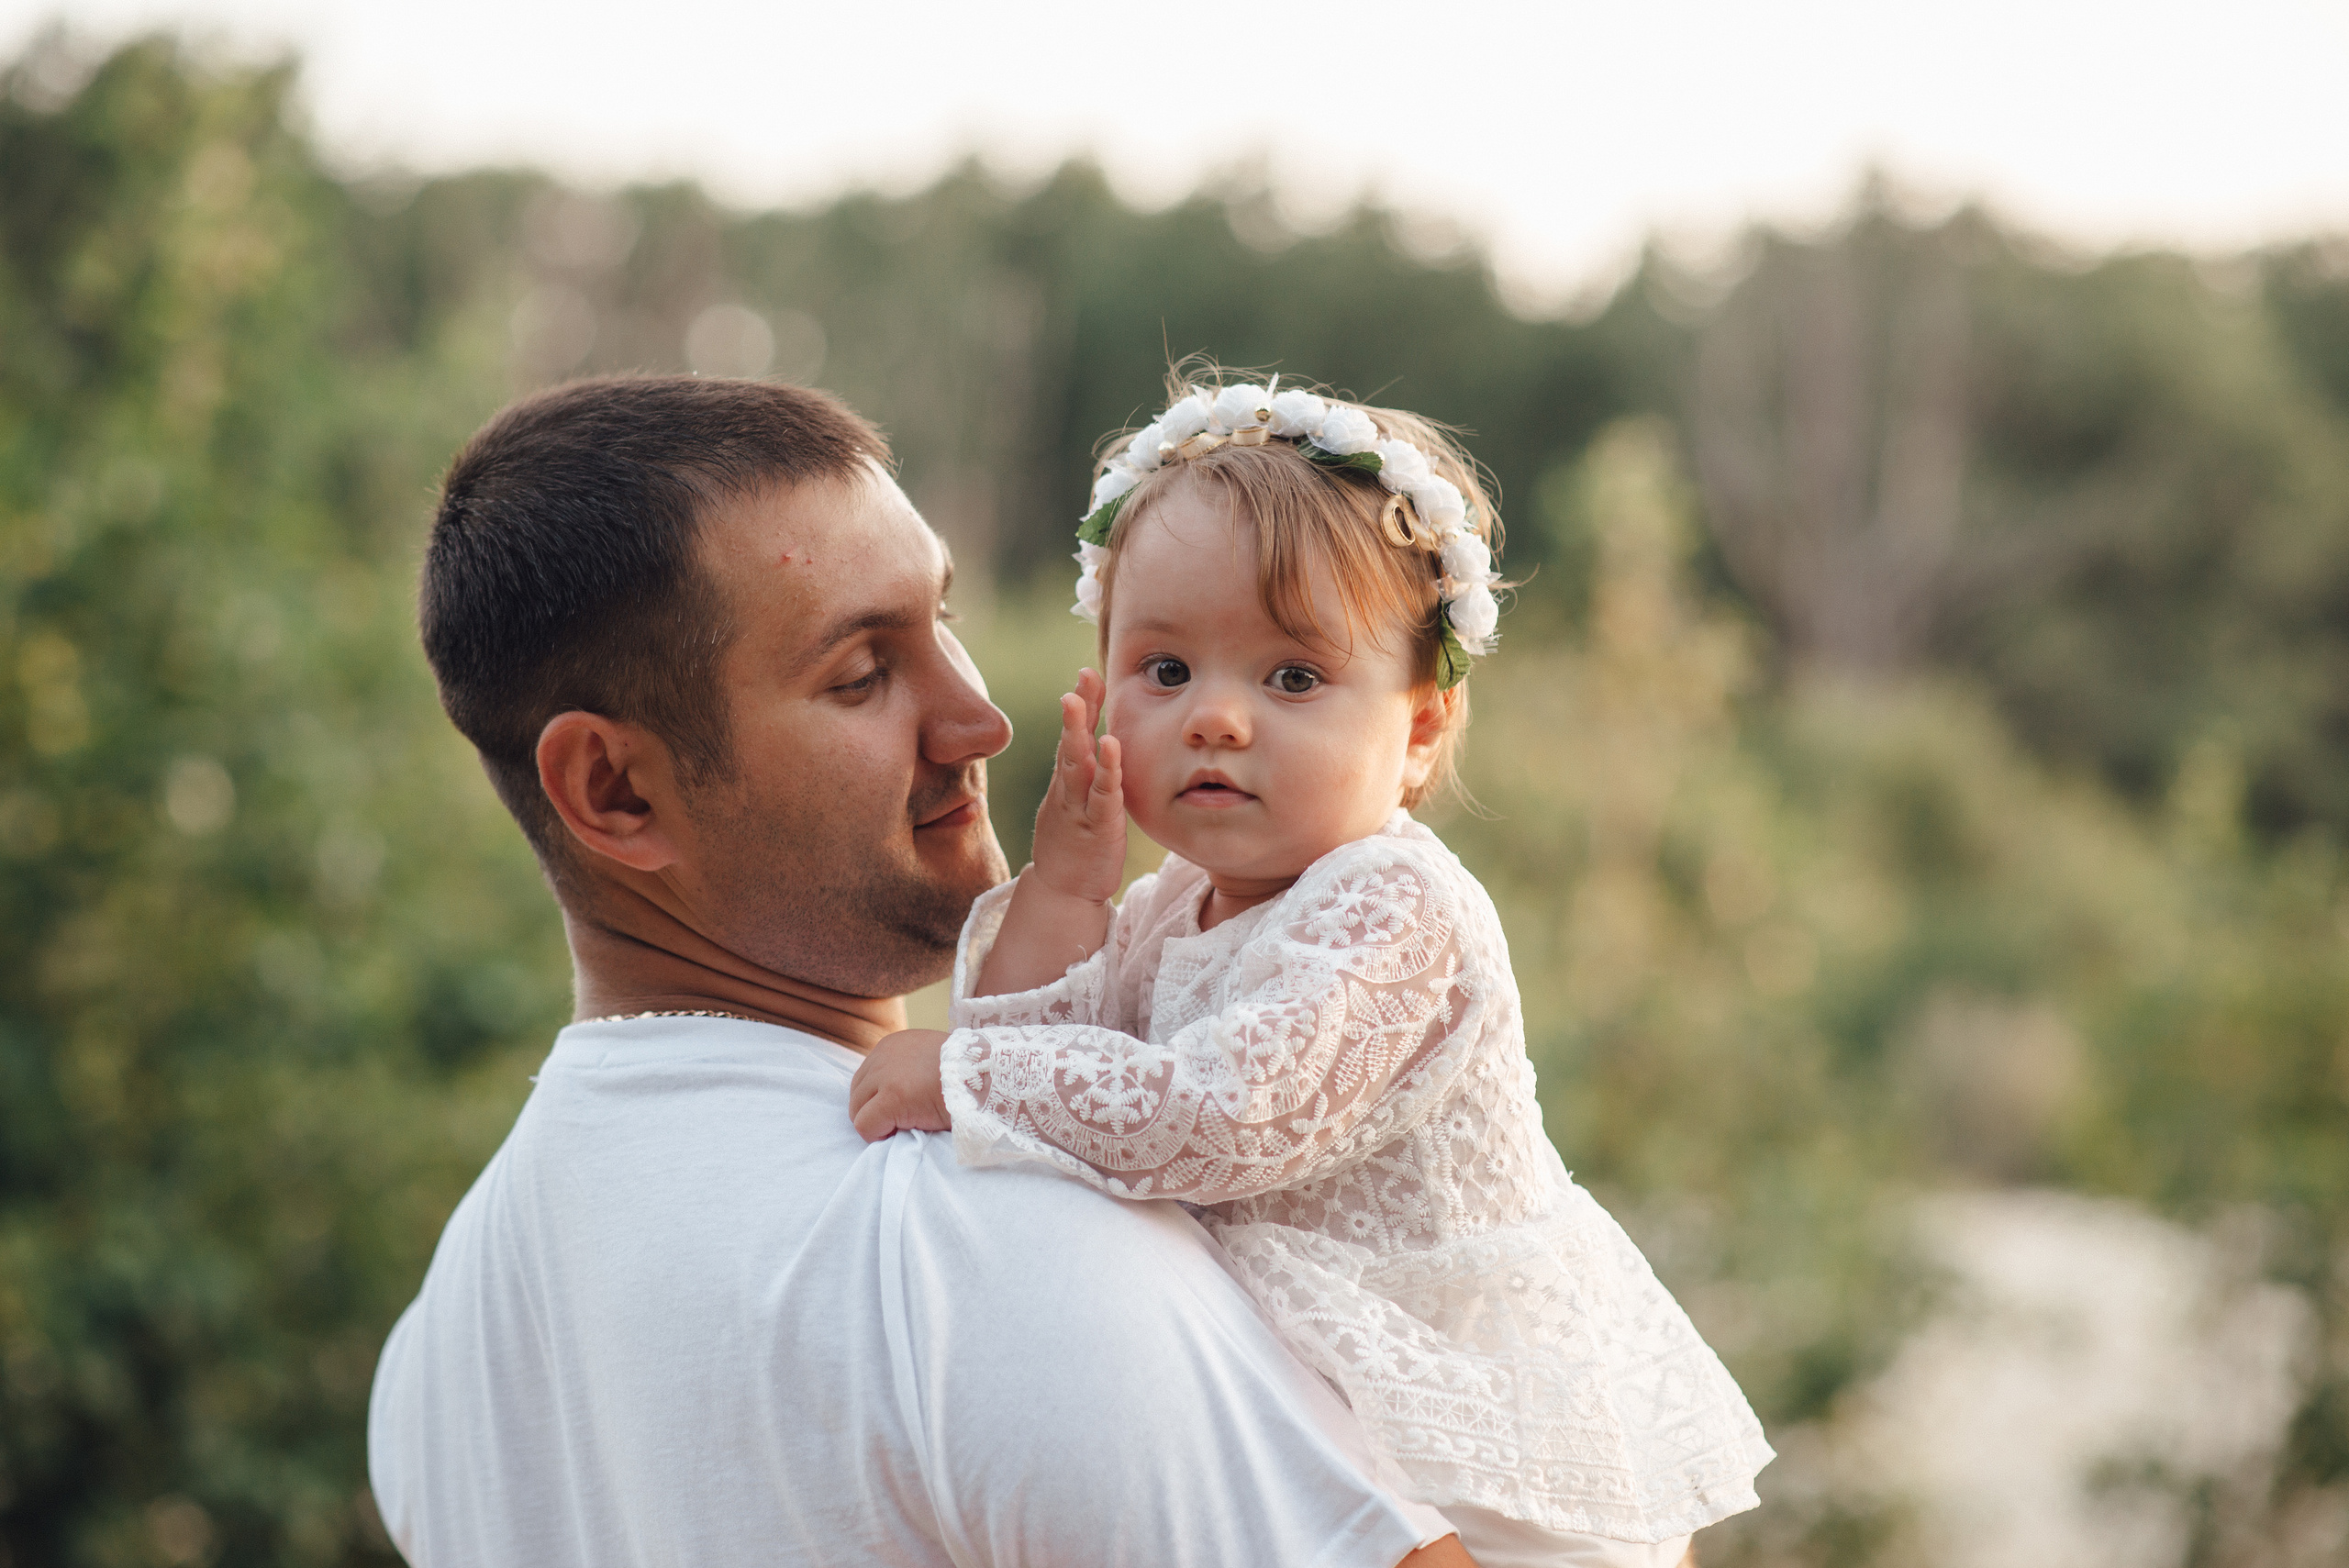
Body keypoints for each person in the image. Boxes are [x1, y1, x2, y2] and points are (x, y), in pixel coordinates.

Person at [365, 375, 1478, 1567]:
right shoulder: (981, 1241)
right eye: (861, 672)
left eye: (940, 618)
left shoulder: (439, 1353)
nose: (981, 717)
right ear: (616, 789)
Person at [848, 374, 1776, 1567]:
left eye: (1292, 678)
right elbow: (1051, 1072)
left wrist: (966, 1077)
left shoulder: (1395, 904)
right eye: (1166, 670)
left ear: (1424, 727)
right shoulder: (1168, 906)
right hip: (1326, 1420)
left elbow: (1220, 1113)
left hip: (1480, 1446)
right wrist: (1070, 891)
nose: (1217, 719)